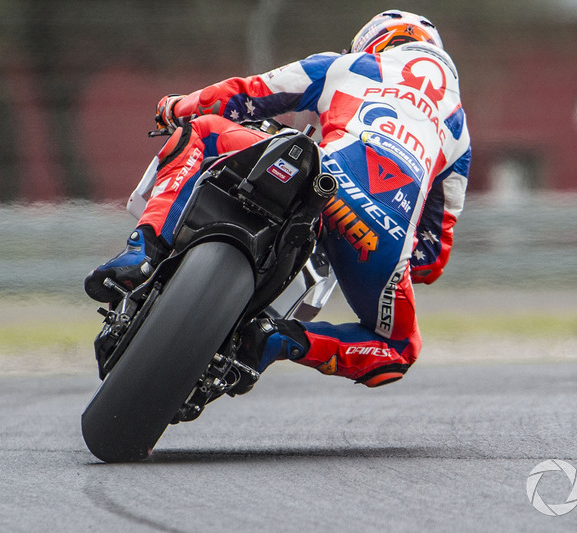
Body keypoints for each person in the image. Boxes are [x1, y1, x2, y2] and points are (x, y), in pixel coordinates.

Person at [85, 10, 471, 392]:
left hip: (322, 176)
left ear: (377, 41)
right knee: (398, 350)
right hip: (379, 236)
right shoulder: (458, 128)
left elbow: (247, 96)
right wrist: (382, 248)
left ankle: (143, 251)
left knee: (202, 133)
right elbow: (431, 259)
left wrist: (174, 108)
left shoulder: (347, 66)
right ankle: (278, 338)